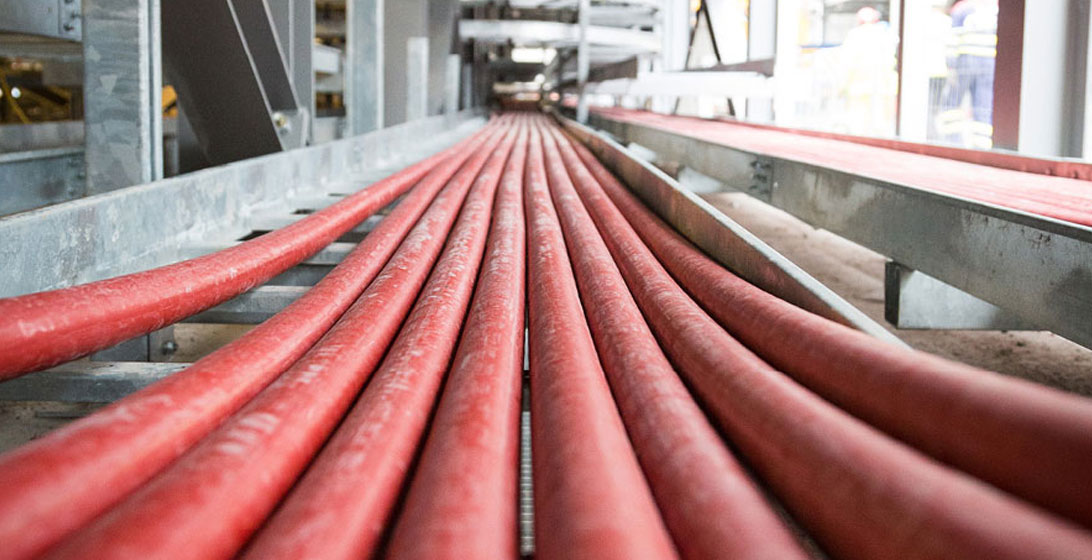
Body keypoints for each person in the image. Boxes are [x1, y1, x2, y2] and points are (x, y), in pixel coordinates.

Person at [938, 0, 998, 148]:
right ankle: (982, 146)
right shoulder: (994, 9)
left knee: (951, 103)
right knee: (983, 105)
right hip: (989, 61)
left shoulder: (963, 8)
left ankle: (952, 141)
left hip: (966, 60)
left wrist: (951, 65)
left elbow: (953, 38)